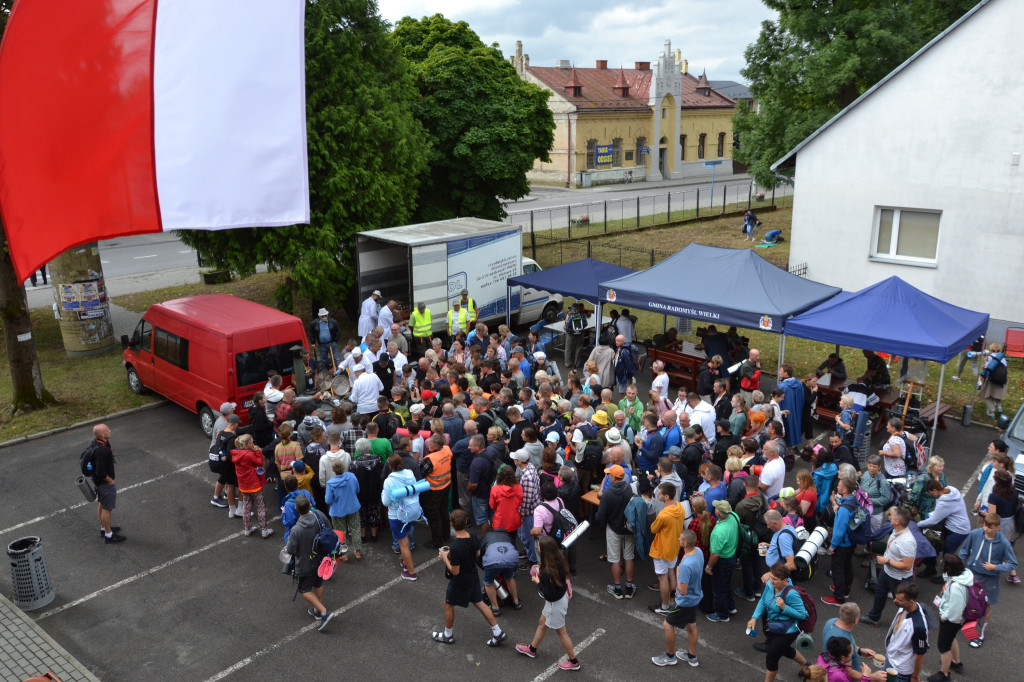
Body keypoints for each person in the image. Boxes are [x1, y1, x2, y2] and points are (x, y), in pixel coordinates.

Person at [432, 510, 507, 647]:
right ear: (466, 522)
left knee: (448, 603)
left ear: (452, 524)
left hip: (461, 581)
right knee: (479, 602)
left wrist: (445, 557)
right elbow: (477, 553)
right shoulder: (472, 535)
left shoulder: (455, 547)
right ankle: (497, 631)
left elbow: (455, 571)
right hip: (473, 576)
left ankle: (448, 635)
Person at [957, 511, 1018, 648]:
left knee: (986, 607)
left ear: (998, 527)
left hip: (990, 580)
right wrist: (957, 567)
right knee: (966, 599)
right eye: (985, 525)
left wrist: (995, 567)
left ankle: (980, 634)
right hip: (972, 574)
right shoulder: (975, 534)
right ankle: (963, 621)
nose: (987, 529)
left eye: (990, 527)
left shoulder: (1004, 543)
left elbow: (1013, 564)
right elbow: (965, 551)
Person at [748, 562, 809, 682]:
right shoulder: (771, 586)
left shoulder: (792, 594)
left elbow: (802, 615)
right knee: (784, 649)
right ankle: (807, 665)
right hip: (774, 625)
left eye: (775, 579)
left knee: (772, 656)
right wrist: (754, 617)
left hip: (789, 630)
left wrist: (784, 607)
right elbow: (763, 601)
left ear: (785, 580)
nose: (771, 581)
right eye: (771, 577)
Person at [651, 529, 703, 667]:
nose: (678, 539)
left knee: (667, 625)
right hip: (696, 598)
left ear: (685, 544)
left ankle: (670, 656)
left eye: (680, 539)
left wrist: (678, 573)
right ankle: (691, 656)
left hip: (685, 601)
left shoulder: (686, 565)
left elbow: (682, 590)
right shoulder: (698, 551)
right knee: (691, 626)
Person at [284, 495, 335, 631]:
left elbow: (290, 549)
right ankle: (318, 611)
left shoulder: (296, 529)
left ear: (296, 510)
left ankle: (323, 611)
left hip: (305, 564)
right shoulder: (318, 515)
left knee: (304, 589)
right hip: (321, 559)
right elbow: (329, 527)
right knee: (318, 583)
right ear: (309, 505)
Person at [863, 507, 916, 626]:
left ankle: (909, 624)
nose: (890, 517)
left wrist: (887, 561)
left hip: (900, 579)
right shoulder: (896, 530)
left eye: (892, 516)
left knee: (902, 602)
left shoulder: (907, 541)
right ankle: (873, 618)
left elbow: (907, 566)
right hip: (887, 572)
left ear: (897, 522)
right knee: (879, 593)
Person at [595, 464, 636, 599]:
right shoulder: (629, 488)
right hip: (628, 528)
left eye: (609, 475)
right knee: (629, 557)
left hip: (613, 528)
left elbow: (600, 517)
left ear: (613, 477)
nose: (608, 476)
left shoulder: (607, 494)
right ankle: (629, 588)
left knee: (615, 560)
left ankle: (617, 589)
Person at [929, 554, 971, 682]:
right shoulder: (962, 576)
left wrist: (944, 616)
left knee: (943, 647)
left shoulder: (957, 587)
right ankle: (956, 662)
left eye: (943, 565)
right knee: (951, 638)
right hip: (955, 620)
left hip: (951, 620)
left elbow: (956, 609)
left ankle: (944, 674)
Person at [917, 480, 971, 578]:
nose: (932, 496)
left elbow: (933, 520)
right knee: (941, 549)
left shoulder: (944, 502)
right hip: (959, 527)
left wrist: (919, 524)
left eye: (931, 493)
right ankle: (936, 570)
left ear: (934, 490)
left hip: (957, 531)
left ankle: (946, 576)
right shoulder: (952, 490)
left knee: (948, 555)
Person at [648, 482, 687, 615]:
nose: (657, 494)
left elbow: (653, 529)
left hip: (662, 549)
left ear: (666, 496)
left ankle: (665, 606)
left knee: (662, 578)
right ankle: (671, 601)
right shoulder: (680, 507)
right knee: (671, 574)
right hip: (674, 547)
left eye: (659, 493)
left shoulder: (664, 514)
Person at [820, 602, 886, 681]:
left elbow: (846, 647)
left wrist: (860, 650)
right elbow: (848, 673)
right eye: (859, 614)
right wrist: (872, 676)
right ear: (856, 620)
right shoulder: (843, 639)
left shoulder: (831, 622)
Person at [382, 453, 422, 580]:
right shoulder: (410, 473)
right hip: (411, 512)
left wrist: (383, 492)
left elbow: (385, 502)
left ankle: (411, 572)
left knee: (403, 544)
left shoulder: (389, 481)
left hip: (396, 515)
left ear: (389, 465)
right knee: (407, 537)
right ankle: (405, 562)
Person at [822, 478, 857, 606]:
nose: (837, 487)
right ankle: (845, 590)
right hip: (850, 541)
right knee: (847, 566)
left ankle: (838, 597)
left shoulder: (843, 510)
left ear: (845, 489)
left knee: (838, 570)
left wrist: (833, 545)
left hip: (842, 544)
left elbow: (839, 531)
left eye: (839, 485)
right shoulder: (852, 501)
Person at [884, 581, 928, 682]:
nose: (895, 600)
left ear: (911, 601)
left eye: (899, 599)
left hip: (901, 670)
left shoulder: (919, 627)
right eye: (895, 597)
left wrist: (915, 676)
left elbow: (921, 654)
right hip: (891, 658)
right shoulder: (904, 606)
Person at [231, 434, 273, 539]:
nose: (253, 444)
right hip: (254, 485)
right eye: (251, 443)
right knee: (261, 507)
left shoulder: (236, 454)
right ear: (246, 444)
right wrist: (258, 451)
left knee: (246, 507)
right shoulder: (248, 454)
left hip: (243, 486)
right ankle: (264, 530)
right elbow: (259, 462)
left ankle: (247, 529)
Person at [89, 424, 125, 543]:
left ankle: (104, 528)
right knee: (107, 508)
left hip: (98, 482)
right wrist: (110, 480)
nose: (110, 430)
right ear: (103, 435)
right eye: (107, 430)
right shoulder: (102, 451)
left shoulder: (96, 443)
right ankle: (109, 535)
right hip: (104, 483)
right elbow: (100, 472)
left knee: (102, 504)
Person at [706, 500, 739, 622]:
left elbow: (715, 555)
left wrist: (708, 567)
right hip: (732, 557)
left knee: (719, 588)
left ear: (718, 513)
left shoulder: (718, 532)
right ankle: (730, 607)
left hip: (722, 562)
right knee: (726, 584)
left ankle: (722, 614)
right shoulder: (734, 516)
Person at [324, 458, 361, 561]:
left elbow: (328, 500)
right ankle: (357, 551)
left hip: (337, 511)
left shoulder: (331, 483)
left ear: (333, 470)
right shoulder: (352, 476)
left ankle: (343, 554)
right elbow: (357, 490)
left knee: (340, 533)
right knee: (355, 529)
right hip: (353, 507)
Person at [479, 528, 522, 615]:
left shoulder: (486, 536)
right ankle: (516, 602)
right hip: (511, 557)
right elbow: (515, 549)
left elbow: (479, 555)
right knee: (509, 577)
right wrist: (513, 570)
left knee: (488, 582)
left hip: (493, 559)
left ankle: (495, 608)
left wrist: (485, 568)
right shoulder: (508, 536)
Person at [421, 434, 454, 549]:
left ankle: (437, 541)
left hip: (434, 490)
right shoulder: (447, 449)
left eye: (430, 444)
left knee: (433, 515)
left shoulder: (430, 459)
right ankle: (446, 535)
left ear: (435, 446)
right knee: (444, 511)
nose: (428, 445)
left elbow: (421, 473)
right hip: (446, 486)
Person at [512, 446, 541, 565]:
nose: (513, 460)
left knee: (528, 536)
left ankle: (533, 560)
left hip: (529, 512)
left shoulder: (527, 477)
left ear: (519, 461)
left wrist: (522, 514)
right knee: (526, 535)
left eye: (515, 459)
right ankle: (530, 552)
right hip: (533, 508)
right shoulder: (531, 467)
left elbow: (526, 499)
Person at [977, 342, 1008, 418]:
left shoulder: (990, 357)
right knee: (996, 394)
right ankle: (999, 406)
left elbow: (987, 368)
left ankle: (991, 412)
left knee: (987, 396)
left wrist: (985, 363)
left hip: (992, 380)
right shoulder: (1003, 358)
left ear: (991, 349)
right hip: (1002, 380)